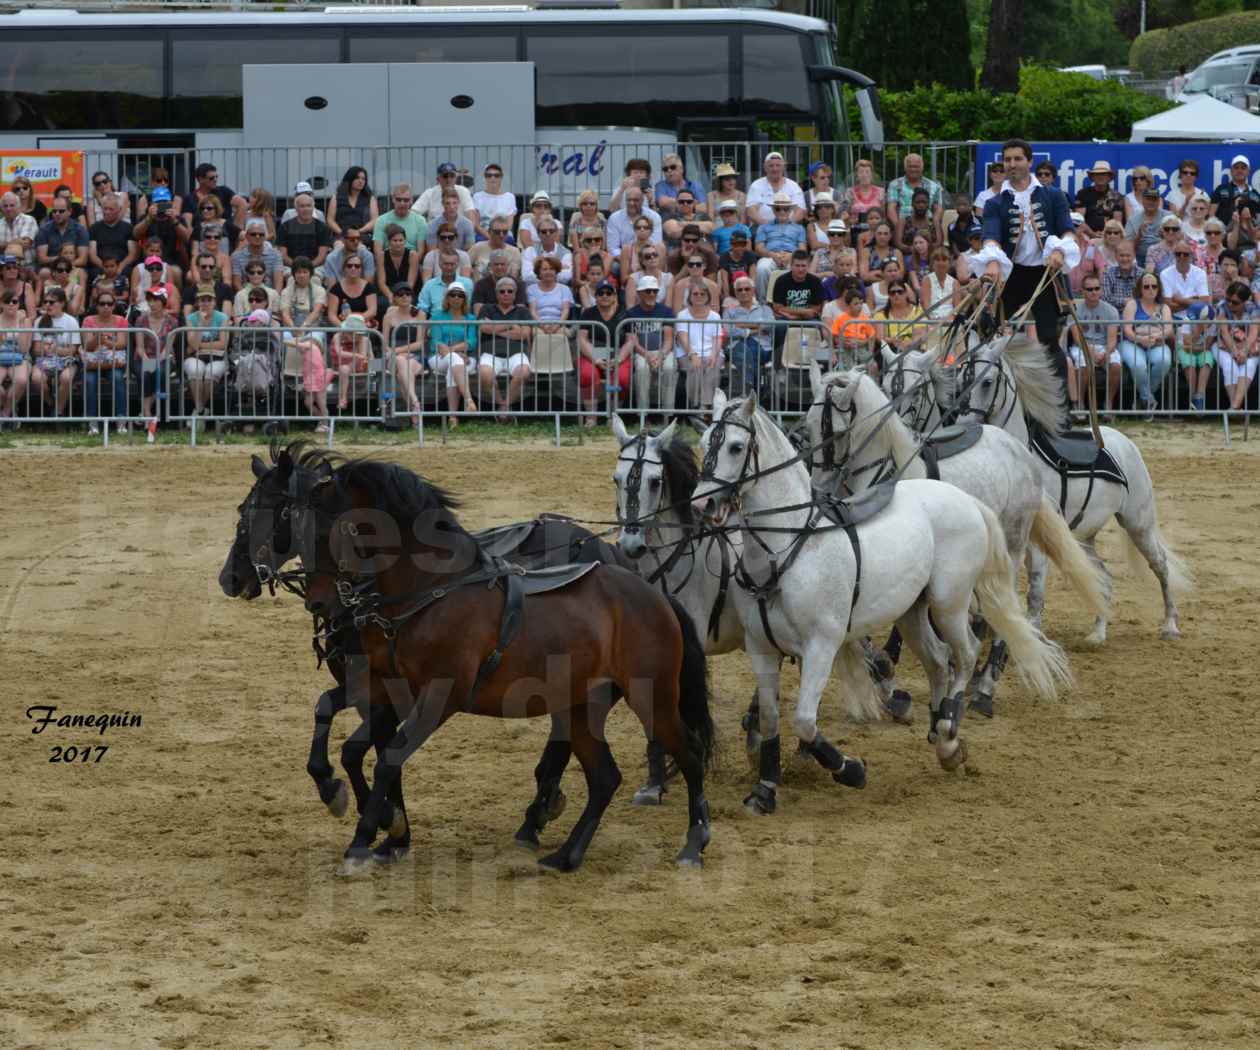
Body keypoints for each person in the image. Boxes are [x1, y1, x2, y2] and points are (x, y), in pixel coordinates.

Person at [976, 138, 1080, 380]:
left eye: (1017, 159)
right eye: (1007, 160)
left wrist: (1060, 250)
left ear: (1029, 161)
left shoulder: (1054, 196)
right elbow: (990, 235)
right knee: (986, 330)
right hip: (1013, 276)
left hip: (1045, 276)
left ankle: (1060, 412)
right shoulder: (994, 202)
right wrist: (992, 261)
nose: (1012, 164)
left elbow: (1067, 230)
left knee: (1049, 340)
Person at [478, 276, 534, 419]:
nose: (506, 294)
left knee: (524, 371)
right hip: (490, 353)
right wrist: (511, 325)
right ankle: (501, 404)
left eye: (510, 291)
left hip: (516, 353)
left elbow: (524, 334)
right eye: (502, 291)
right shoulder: (487, 308)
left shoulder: (523, 311)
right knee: (485, 374)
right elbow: (484, 328)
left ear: (515, 294)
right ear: (497, 294)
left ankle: (504, 406)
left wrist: (495, 327)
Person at [1120, 272, 1174, 419]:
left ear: (1158, 288)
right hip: (1132, 343)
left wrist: (1156, 336)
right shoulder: (1132, 304)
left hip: (1157, 343)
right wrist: (1140, 339)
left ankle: (1143, 399)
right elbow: (1127, 330)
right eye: (1146, 286)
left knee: (1164, 361)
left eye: (1154, 286)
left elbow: (1168, 330)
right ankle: (1148, 399)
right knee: (1138, 365)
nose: (1150, 289)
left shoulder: (1164, 307)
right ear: (1140, 288)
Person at [426, 282, 480, 424]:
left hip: (466, 358)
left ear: (464, 299)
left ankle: (452, 417)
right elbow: (437, 343)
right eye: (453, 294)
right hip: (438, 358)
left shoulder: (471, 318)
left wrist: (452, 350)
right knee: (454, 360)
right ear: (447, 298)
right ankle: (468, 399)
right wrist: (457, 352)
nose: (456, 298)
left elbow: (472, 341)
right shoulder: (437, 317)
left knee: (453, 368)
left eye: (460, 295)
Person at [1067, 276, 1122, 416]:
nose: (1094, 292)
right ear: (1083, 291)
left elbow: (1112, 339)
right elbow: (1077, 338)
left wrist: (1106, 353)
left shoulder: (1111, 310)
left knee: (1116, 365)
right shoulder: (1074, 309)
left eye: (1097, 288)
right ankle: (1080, 403)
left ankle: (1108, 403)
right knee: (1083, 364)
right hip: (1081, 346)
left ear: (1101, 290)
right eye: (1090, 289)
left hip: (1104, 346)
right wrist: (1090, 352)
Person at [575, 279, 626, 426]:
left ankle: (613, 417)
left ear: (615, 296)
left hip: (619, 352)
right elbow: (582, 340)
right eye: (601, 293)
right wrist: (596, 359)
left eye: (608, 293)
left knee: (622, 377)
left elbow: (631, 341)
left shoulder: (624, 313)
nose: (605, 296)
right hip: (594, 352)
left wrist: (619, 359)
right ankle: (592, 417)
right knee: (586, 374)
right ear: (595, 296)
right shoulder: (588, 313)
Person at [623, 276, 677, 411]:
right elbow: (632, 341)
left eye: (655, 291)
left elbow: (668, 339)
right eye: (648, 291)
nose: (652, 294)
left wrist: (660, 355)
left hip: (663, 351)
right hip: (641, 352)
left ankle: (667, 415)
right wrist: (647, 355)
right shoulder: (631, 313)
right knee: (641, 369)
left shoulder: (666, 311)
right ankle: (643, 414)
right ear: (639, 293)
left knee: (670, 368)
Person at [182, 285, 230, 422]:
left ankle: (198, 411)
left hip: (218, 357)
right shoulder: (191, 318)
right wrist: (201, 324)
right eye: (202, 300)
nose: (206, 303)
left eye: (209, 300)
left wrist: (200, 346)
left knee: (211, 373)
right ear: (197, 302)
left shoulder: (222, 317)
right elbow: (193, 346)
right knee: (195, 370)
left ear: (214, 302)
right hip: (196, 357)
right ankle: (201, 410)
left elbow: (223, 344)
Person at [30, 286, 78, 417]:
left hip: (66, 360)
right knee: (36, 378)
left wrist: (56, 350)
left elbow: (73, 350)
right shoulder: (39, 321)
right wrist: (46, 350)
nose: (47, 305)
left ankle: (58, 411)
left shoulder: (71, 321)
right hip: (45, 360)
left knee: (66, 378)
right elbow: (36, 349)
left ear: (62, 303)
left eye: (52, 302)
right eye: (45, 302)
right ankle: (51, 402)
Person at [674, 283, 723, 414]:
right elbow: (682, 337)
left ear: (708, 296)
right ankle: (694, 405)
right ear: (689, 297)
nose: (699, 296)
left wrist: (713, 355)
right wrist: (692, 354)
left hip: (711, 351)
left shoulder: (715, 316)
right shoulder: (682, 315)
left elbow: (717, 338)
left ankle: (704, 407)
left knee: (712, 366)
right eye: (695, 294)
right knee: (695, 367)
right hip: (687, 351)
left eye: (702, 294)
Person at [723, 275, 774, 394]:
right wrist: (755, 329)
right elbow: (729, 331)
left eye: (747, 289)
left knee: (749, 351)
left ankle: (748, 392)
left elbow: (770, 325)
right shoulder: (729, 312)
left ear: (753, 290)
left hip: (762, 347)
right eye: (739, 290)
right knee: (746, 351)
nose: (743, 292)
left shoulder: (765, 309)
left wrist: (741, 325)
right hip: (737, 348)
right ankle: (755, 392)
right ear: (735, 293)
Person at [381, 282, 424, 421]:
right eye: (400, 294)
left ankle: (413, 411)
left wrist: (399, 350)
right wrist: (396, 353)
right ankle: (415, 401)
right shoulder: (388, 316)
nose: (405, 297)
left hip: (414, 356)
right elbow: (384, 343)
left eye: (408, 294)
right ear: (394, 298)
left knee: (402, 374)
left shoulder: (420, 314)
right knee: (400, 361)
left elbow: (419, 343)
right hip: (393, 357)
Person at [754, 193, 807, 301]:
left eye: (785, 209)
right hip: (770, 256)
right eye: (778, 209)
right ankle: (763, 304)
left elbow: (803, 248)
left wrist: (791, 256)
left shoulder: (799, 228)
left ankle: (793, 303)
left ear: (790, 210)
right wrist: (772, 255)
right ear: (773, 210)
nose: (782, 211)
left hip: (792, 257)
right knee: (762, 268)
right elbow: (758, 247)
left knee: (798, 268)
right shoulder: (763, 227)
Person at [1215, 280, 1259, 410]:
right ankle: (1237, 410)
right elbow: (1224, 332)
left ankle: (1234, 407)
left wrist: (1244, 351)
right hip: (1224, 344)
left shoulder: (1253, 308)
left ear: (1245, 302)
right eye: (1228, 299)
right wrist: (1234, 351)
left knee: (1249, 365)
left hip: (1249, 345)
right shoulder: (1221, 306)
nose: (1229, 304)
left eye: (1235, 302)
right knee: (1229, 365)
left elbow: (1254, 332)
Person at [276, 193, 333, 270]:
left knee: (316, 279)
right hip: (290, 267)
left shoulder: (322, 227)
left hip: (316, 267)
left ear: (313, 208)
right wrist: (297, 268)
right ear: (296, 209)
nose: (306, 209)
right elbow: (283, 256)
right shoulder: (285, 227)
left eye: (308, 206)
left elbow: (321, 257)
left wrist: (308, 268)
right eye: (302, 206)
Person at [874, 278, 925, 365]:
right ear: (889, 295)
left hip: (914, 351)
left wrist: (907, 345)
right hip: (892, 353)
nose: (896, 295)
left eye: (900, 291)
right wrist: (893, 341)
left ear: (906, 293)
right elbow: (880, 337)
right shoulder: (881, 314)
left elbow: (920, 333)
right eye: (892, 292)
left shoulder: (917, 311)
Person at [746, 151, 805, 226]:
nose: (775, 169)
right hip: (762, 228)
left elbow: (800, 211)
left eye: (778, 165)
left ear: (784, 167)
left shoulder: (793, 186)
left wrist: (786, 225)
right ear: (765, 167)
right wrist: (768, 227)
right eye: (771, 166)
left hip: (789, 228)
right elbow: (751, 211)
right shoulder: (756, 185)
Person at [412, 162, 478, 229]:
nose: (448, 179)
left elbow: (471, 214)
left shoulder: (463, 191)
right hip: (434, 235)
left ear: (456, 178)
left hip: (459, 234)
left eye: (452, 176)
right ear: (438, 179)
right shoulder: (429, 193)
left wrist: (469, 234)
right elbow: (413, 214)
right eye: (445, 176)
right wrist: (423, 230)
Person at [0, 290, 31, 426]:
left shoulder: (25, 320)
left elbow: (24, 349)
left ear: (19, 304)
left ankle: (5, 415)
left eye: (15, 302)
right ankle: (10, 409)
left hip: (20, 357)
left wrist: (23, 324)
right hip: (1, 357)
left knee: (21, 380)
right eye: (7, 302)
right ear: (2, 304)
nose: (11, 305)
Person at [184, 163, 247, 230]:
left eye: (216, 177)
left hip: (225, 234)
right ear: (200, 179)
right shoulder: (190, 198)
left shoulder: (224, 191)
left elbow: (242, 203)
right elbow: (188, 224)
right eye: (211, 178)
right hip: (203, 235)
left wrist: (236, 231)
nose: (215, 180)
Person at [829, 286, 877, 373]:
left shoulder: (865, 318)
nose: (859, 306)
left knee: (872, 365)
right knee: (849, 370)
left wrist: (868, 349)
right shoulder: (841, 319)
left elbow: (871, 337)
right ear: (848, 305)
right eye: (856, 304)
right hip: (845, 348)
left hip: (861, 348)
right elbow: (835, 336)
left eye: (861, 303)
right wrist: (843, 342)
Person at [327, 166, 379, 246]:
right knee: (339, 248)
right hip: (341, 236)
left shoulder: (370, 199)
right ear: (350, 179)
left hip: (362, 236)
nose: (361, 181)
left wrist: (359, 231)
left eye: (363, 179)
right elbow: (330, 220)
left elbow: (374, 220)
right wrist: (342, 233)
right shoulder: (336, 197)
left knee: (362, 250)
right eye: (357, 178)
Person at [88, 193, 137, 274]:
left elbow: (132, 254)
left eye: (111, 209)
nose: (107, 212)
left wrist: (120, 267)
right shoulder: (94, 228)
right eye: (105, 209)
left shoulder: (129, 228)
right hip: (101, 267)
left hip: (122, 267)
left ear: (119, 209)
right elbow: (92, 255)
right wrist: (106, 267)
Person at [606, 187, 662, 258]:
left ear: (642, 201)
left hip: (648, 256)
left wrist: (641, 258)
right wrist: (626, 258)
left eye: (636, 200)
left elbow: (656, 243)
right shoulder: (614, 218)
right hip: (623, 256)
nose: (632, 203)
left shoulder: (654, 217)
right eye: (629, 200)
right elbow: (613, 248)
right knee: (615, 266)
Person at [372, 185, 427, 257]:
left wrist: (411, 265)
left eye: (406, 200)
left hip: (412, 262)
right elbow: (378, 251)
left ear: (411, 201)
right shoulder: (381, 221)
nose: (402, 203)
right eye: (399, 199)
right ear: (393, 199)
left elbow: (421, 251)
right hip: (388, 262)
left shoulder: (420, 221)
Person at [1124, 187, 1172, 269]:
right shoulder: (1133, 219)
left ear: (1159, 201)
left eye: (1154, 199)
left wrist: (1164, 236)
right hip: (1140, 257)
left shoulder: (1169, 217)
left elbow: (1177, 240)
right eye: (1148, 199)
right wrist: (1139, 235)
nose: (1151, 202)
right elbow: (1128, 248)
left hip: (1163, 256)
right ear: (1142, 200)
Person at [35, 200, 88, 273]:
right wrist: (59, 261)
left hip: (73, 266)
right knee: (44, 272)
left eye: (61, 211)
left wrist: (66, 266)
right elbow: (42, 259)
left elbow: (83, 260)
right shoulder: (44, 230)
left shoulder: (80, 230)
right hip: (51, 268)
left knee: (81, 272)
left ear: (69, 212)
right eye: (54, 211)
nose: (57, 214)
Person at [230, 219, 282, 290]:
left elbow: (278, 283)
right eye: (253, 234)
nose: (257, 236)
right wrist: (246, 298)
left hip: (269, 295)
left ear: (265, 237)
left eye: (261, 234)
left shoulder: (276, 254)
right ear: (247, 236)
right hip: (245, 295)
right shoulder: (236, 256)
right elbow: (237, 283)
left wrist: (275, 298)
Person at [327, 254, 378, 327]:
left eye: (357, 266)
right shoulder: (335, 289)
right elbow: (332, 315)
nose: (353, 268)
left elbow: (372, 311)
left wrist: (354, 321)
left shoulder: (369, 287)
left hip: (363, 325)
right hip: (342, 327)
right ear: (344, 269)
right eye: (349, 266)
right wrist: (343, 327)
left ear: (361, 269)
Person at [1075, 161, 1124, 235]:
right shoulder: (1082, 194)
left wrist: (1105, 234)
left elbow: (1117, 222)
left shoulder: (1117, 196)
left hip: (1110, 235)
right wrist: (1092, 234)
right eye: (1097, 174)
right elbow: (1079, 220)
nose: (1100, 176)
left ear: (1109, 177)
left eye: (1103, 174)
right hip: (1086, 234)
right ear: (1092, 177)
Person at [1210, 155, 1260, 227]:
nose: (1239, 171)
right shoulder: (1221, 189)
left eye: (1243, 168)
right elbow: (1211, 214)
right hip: (1224, 234)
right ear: (1231, 171)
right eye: (1236, 168)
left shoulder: (1254, 193)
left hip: (1248, 236)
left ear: (1248, 171)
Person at [423, 189, 476, 257]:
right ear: (443, 204)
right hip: (439, 260)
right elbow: (432, 251)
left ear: (458, 203)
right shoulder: (432, 225)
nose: (451, 207)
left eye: (454, 203)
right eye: (448, 203)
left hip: (461, 260)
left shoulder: (468, 224)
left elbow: (470, 251)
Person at [473, 250, 528, 315]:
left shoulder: (519, 284)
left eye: (502, 264)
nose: (499, 267)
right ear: (490, 266)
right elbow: (478, 311)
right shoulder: (480, 284)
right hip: (488, 322)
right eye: (496, 264)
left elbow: (521, 311)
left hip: (513, 322)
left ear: (508, 265)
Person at [521, 220, 572, 288]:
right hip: (534, 290)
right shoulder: (530, 251)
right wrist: (558, 267)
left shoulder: (566, 253)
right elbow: (527, 276)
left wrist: (537, 266)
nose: (548, 234)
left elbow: (566, 277)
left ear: (556, 233)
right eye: (544, 232)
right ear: (538, 234)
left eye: (551, 231)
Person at [473, 163, 516, 242]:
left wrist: (499, 236)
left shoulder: (510, 197)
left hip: (503, 234)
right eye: (489, 175)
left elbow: (509, 225)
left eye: (496, 175)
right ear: (485, 177)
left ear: (501, 177)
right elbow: (477, 225)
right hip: (483, 234)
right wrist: (490, 237)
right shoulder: (477, 196)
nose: (493, 178)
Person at [626, 242, 672, 311]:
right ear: (642, 261)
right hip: (640, 317)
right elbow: (630, 306)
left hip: (660, 316)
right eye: (647, 256)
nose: (652, 257)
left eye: (655, 255)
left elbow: (668, 306)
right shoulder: (633, 278)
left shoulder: (668, 278)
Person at [1102, 239, 1141, 314]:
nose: (1125, 259)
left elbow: (1144, 299)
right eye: (1121, 255)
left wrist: (1120, 302)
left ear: (1134, 256)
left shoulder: (1141, 274)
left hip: (1137, 314)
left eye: (1128, 255)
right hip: (1113, 315)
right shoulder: (1108, 274)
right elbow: (1106, 299)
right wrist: (1126, 301)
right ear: (1116, 256)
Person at [860, 220, 903, 285]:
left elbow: (900, 276)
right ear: (875, 234)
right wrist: (888, 275)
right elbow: (864, 276)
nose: (882, 237)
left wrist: (877, 273)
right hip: (871, 288)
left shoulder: (897, 253)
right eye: (879, 233)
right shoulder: (866, 251)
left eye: (885, 234)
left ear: (890, 236)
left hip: (892, 288)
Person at [843, 158, 885, 224]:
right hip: (855, 227)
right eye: (861, 172)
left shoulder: (881, 192)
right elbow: (844, 214)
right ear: (857, 176)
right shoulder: (850, 192)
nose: (864, 175)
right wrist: (850, 221)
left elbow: (884, 215)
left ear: (872, 175)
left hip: (876, 229)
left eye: (867, 172)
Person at [921, 247, 957, 321]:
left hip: (950, 321)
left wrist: (950, 319)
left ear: (949, 262)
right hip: (930, 320)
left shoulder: (955, 282)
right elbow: (925, 305)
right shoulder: (926, 280)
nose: (941, 263)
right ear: (933, 262)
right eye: (937, 260)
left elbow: (957, 308)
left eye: (944, 260)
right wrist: (933, 320)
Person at [0, 193, 38, 262]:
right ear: (1, 208)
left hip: (26, 266)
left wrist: (3, 245)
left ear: (18, 206)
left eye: (12, 205)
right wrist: (17, 242)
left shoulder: (29, 220)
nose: (8, 209)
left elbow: (25, 243)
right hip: (4, 268)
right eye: (5, 206)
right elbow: (19, 244)